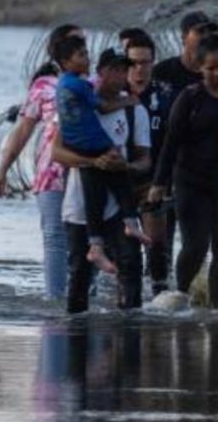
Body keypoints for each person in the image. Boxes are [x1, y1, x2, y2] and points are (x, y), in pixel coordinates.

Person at [52, 50, 151, 313]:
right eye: (115, 70)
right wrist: (93, 163)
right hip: (80, 202)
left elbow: (145, 160)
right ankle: (75, 332)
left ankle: (131, 326)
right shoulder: (79, 101)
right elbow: (57, 153)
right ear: (101, 72)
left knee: (130, 263)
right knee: (79, 274)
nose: (121, 76)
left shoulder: (133, 109)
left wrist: (126, 166)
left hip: (118, 202)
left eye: (124, 70)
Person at [149, 34, 218, 308]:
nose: (217, 73)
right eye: (211, 68)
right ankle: (183, 295)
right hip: (191, 182)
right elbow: (171, 142)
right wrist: (159, 183)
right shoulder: (190, 98)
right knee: (196, 245)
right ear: (200, 68)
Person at [0, 24, 81, 301]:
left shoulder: (93, 83)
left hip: (84, 170)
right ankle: (55, 299)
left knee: (85, 236)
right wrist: (3, 169)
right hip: (50, 171)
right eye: (76, 43)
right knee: (55, 236)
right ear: (59, 51)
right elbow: (23, 130)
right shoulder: (43, 86)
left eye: (83, 44)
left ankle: (82, 295)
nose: (83, 49)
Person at [120, 27, 175, 294]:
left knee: (157, 244)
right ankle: (125, 298)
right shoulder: (112, 95)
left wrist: (164, 180)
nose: (139, 69)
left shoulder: (165, 95)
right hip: (118, 180)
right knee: (122, 247)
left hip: (152, 180)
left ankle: (160, 296)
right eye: (133, 63)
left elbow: (172, 141)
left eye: (145, 63)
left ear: (153, 63)